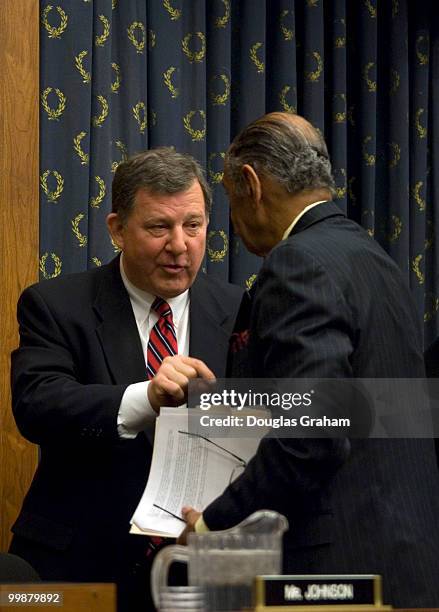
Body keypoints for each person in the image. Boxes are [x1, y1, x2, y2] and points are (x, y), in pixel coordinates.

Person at [180, 112, 439, 607]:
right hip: (408, 559)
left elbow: (311, 434)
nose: (234, 227)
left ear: (251, 185)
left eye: (231, 204)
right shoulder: (375, 260)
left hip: (334, 570)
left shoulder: (296, 262)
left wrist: (215, 523)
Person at [9, 147, 243, 611]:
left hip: (202, 571)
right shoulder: (56, 304)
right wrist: (146, 397)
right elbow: (38, 404)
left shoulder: (239, 309)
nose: (179, 245)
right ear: (117, 229)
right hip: (79, 563)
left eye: (193, 226)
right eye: (159, 227)